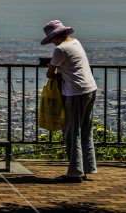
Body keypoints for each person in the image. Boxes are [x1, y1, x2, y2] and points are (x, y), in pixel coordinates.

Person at [41, 19, 98, 183]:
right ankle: (87, 168)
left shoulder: (60, 49)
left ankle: (75, 173)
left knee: (72, 133)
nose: (52, 42)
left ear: (56, 36)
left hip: (75, 93)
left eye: (51, 39)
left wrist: (51, 65)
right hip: (90, 89)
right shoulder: (75, 42)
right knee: (86, 130)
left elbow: (50, 74)